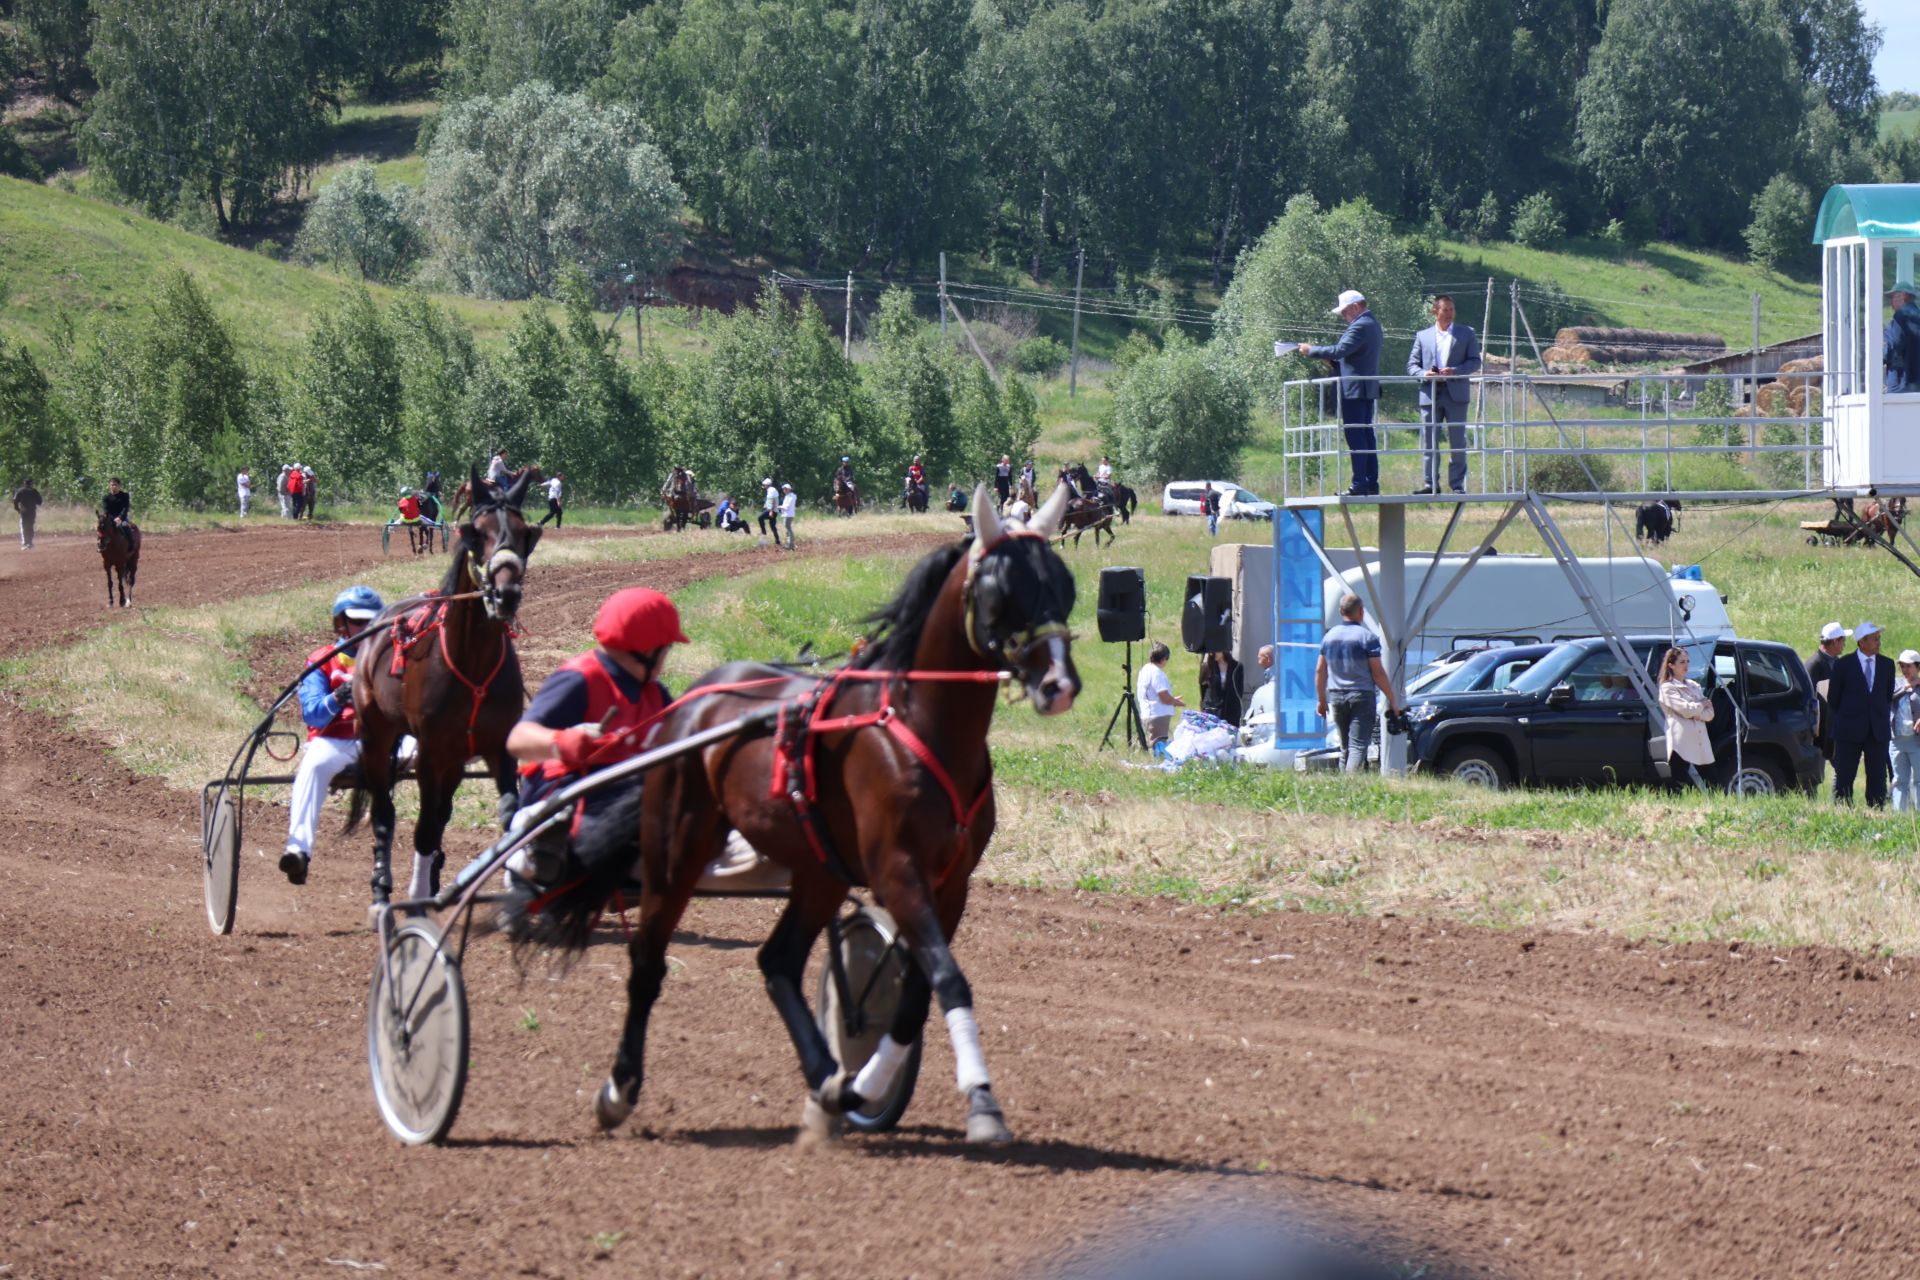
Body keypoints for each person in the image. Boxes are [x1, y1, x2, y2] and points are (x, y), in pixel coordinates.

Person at [504, 587, 685, 886]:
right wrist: (564, 742)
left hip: (624, 796)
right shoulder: (580, 678)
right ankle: (531, 849)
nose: (667, 655)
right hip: (563, 790)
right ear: (647, 649)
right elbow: (518, 740)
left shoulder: (654, 693)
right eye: (667, 647)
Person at [281, 586, 385, 885]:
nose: (365, 628)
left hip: (383, 739)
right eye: (357, 621)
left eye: (372, 622)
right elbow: (312, 714)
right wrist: (338, 697)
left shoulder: (391, 657)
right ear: (340, 623)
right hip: (335, 740)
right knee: (313, 766)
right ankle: (298, 850)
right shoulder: (322, 661)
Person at [1297, 289, 1384, 498]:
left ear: (1355, 307)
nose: (1344, 317)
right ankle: (1370, 482)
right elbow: (1354, 357)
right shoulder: (1372, 324)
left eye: (1345, 312)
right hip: (1364, 387)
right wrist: (1336, 364)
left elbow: (1339, 350)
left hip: (1354, 389)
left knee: (1356, 437)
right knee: (1365, 436)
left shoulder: (1360, 326)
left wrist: (1312, 351)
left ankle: (1360, 483)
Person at [1315, 592, 1401, 773]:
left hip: (1336, 696)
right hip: (1361, 695)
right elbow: (1377, 673)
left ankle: (1343, 789)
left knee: (1345, 747)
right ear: (1361, 611)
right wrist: (1392, 699)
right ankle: (1350, 785)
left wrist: (1321, 700)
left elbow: (1320, 670)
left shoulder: (1329, 637)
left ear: (1340, 611)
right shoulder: (1367, 638)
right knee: (1358, 746)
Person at [1406, 294, 1482, 495]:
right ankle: (1431, 484)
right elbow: (1412, 365)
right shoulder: (1422, 336)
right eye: (1445, 310)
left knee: (1457, 441)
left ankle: (1457, 485)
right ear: (1435, 311)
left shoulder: (1466, 333)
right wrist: (1425, 374)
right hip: (1429, 394)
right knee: (1429, 441)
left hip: (1456, 393)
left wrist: (1455, 370)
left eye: (1451, 310)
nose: (1449, 314)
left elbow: (1475, 361)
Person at [1827, 620, 1894, 807]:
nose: (1879, 643)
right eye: (1875, 639)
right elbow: (1834, 698)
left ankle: (1876, 811)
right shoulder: (1843, 665)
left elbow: (1887, 696)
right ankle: (1843, 811)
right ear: (1862, 642)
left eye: (1879, 638)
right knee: (1845, 775)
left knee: (1877, 777)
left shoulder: (1887, 665)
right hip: (1849, 730)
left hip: (1877, 731)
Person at [1656, 647, 1714, 792]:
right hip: (1681, 743)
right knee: (1681, 785)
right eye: (1682, 662)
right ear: (1671, 665)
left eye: (1688, 661)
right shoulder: (1667, 688)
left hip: (1700, 740)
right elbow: (1686, 710)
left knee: (1714, 782)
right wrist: (1700, 706)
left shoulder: (1694, 686)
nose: (1686, 665)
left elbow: (1710, 714)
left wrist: (1695, 711)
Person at [1806, 621, 1849, 763]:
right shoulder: (1814, 665)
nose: (1845, 644)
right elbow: (1809, 698)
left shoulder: (1838, 662)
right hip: (1822, 729)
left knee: (1842, 766)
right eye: (1843, 641)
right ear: (1835, 642)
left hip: (1837, 725)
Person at [1134, 642, 1184, 749]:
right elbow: (1164, 696)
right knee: (1158, 745)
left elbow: (1154, 695)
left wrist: (1172, 700)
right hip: (1158, 716)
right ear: (1163, 659)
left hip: (1147, 713)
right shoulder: (1157, 673)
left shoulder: (1145, 670)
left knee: (1148, 744)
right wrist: (1175, 702)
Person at [1893, 650, 1920, 811]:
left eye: (1909, 666)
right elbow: (1885, 699)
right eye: (1902, 666)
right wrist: (1906, 688)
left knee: (1918, 780)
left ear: (1917, 667)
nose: (1905, 670)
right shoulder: (1895, 684)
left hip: (1916, 740)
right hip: (1896, 740)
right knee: (1899, 780)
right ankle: (1899, 818)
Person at [1886, 280, 1920, 394]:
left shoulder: (1899, 318)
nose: (1891, 302)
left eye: (1894, 297)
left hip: (1900, 381)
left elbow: (1892, 344)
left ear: (1904, 296)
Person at [1200, 650, 1244, 726]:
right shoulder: (1207, 666)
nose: (1213, 653)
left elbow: (1239, 691)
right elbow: (1203, 690)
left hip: (1231, 711)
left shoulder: (1237, 666)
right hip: (1212, 710)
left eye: (1216, 651)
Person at [13, 476, 41, 550]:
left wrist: (17, 509)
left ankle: (25, 543)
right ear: (31, 483)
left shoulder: (20, 491)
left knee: (24, 526)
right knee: (31, 526)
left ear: (24, 483)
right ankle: (30, 542)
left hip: (24, 511)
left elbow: (15, 500)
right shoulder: (34, 491)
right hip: (32, 511)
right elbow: (39, 501)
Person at [103, 477, 132, 548]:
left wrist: (119, 518)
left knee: (125, 526)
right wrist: (107, 518)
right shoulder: (106, 497)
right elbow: (106, 510)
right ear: (109, 486)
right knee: (102, 527)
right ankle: (101, 545)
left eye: (115, 485)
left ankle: (131, 544)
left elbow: (125, 508)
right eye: (112, 485)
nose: (114, 486)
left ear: (119, 486)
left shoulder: (125, 496)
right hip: (111, 518)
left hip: (122, 518)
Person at [759, 476, 780, 541]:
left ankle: (763, 532)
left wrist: (771, 510)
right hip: (774, 510)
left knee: (760, 518)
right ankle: (777, 540)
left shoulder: (771, 490)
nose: (764, 486)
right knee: (772, 526)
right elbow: (770, 499)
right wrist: (766, 504)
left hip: (772, 510)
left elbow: (772, 500)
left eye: (764, 485)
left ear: (766, 485)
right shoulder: (771, 490)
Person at [779, 482, 798, 549]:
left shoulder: (790, 496)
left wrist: (780, 507)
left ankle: (791, 544)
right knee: (787, 529)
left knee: (788, 529)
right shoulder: (788, 496)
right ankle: (789, 544)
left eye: (785, 489)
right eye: (784, 489)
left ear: (788, 489)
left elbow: (787, 506)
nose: (784, 490)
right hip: (787, 514)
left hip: (788, 515)